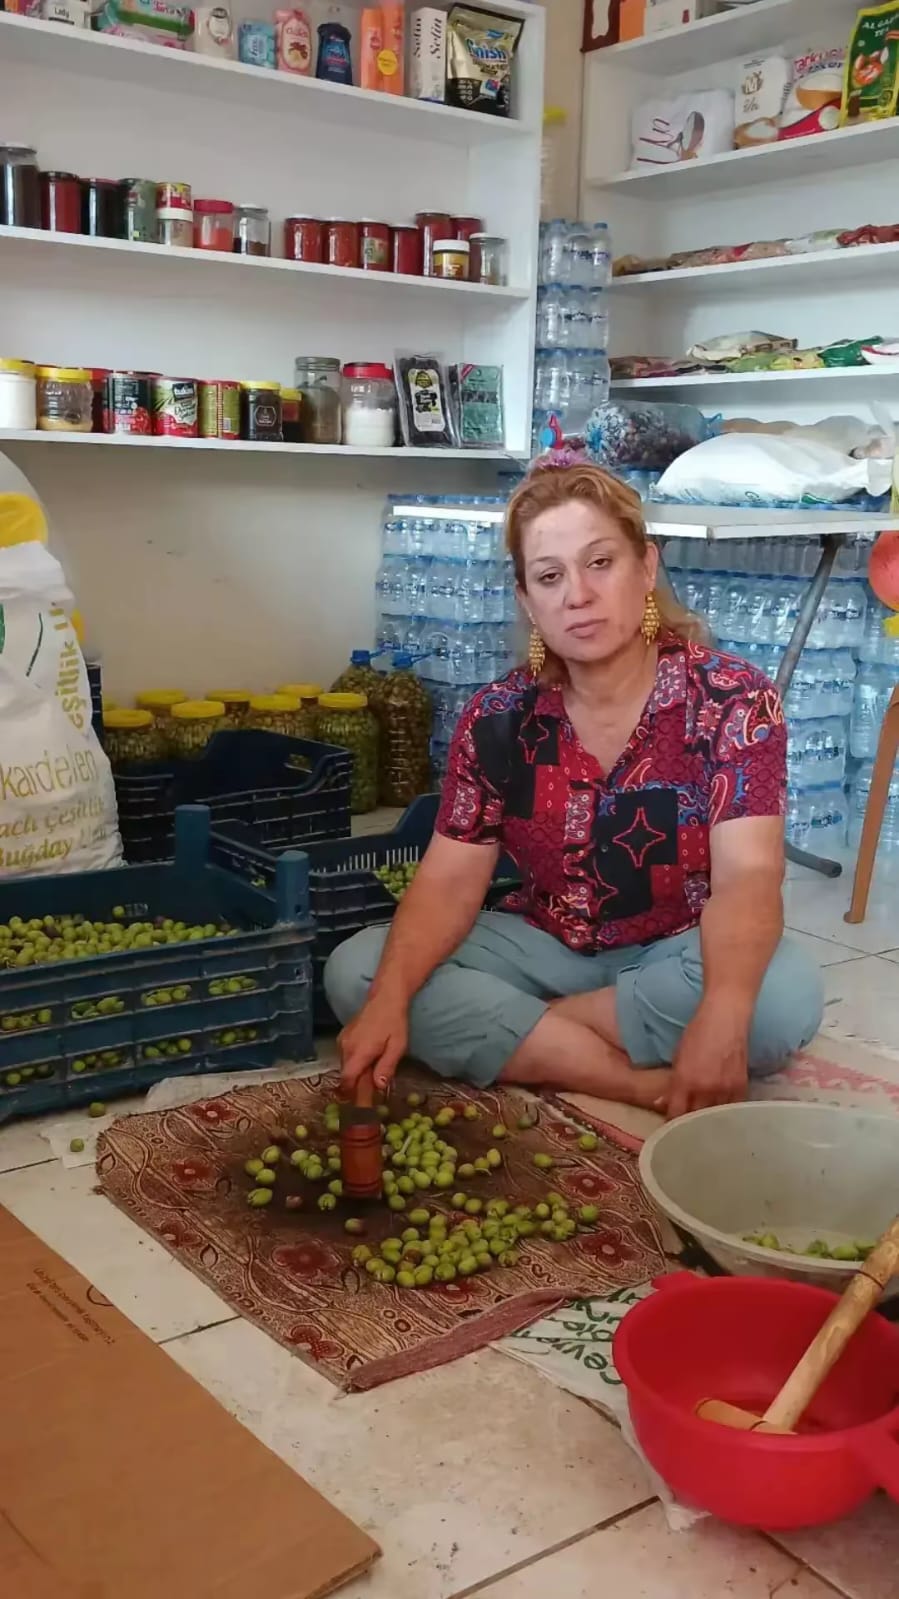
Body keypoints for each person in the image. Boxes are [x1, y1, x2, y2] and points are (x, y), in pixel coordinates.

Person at [326, 463, 823, 1119]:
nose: (577, 595)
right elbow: (449, 880)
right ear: (527, 599)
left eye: (599, 562)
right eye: (549, 575)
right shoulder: (499, 715)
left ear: (645, 568)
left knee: (778, 1000)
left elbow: (750, 877)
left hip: (681, 944)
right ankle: (636, 1083)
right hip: (543, 941)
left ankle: (526, 1035)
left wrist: (724, 1013)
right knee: (358, 974)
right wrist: (391, 996)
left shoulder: (731, 700)